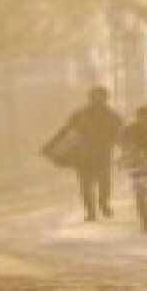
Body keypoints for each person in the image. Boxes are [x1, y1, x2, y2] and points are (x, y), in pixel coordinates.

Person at [45, 86, 125, 222]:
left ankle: (103, 203)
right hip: (84, 155)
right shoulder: (80, 114)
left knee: (104, 183)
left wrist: (124, 147)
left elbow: (120, 134)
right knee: (86, 186)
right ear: (90, 97)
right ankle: (91, 212)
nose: (97, 99)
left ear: (105, 98)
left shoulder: (113, 116)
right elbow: (66, 130)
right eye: (95, 96)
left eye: (100, 96)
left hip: (103, 154)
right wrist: (52, 144)